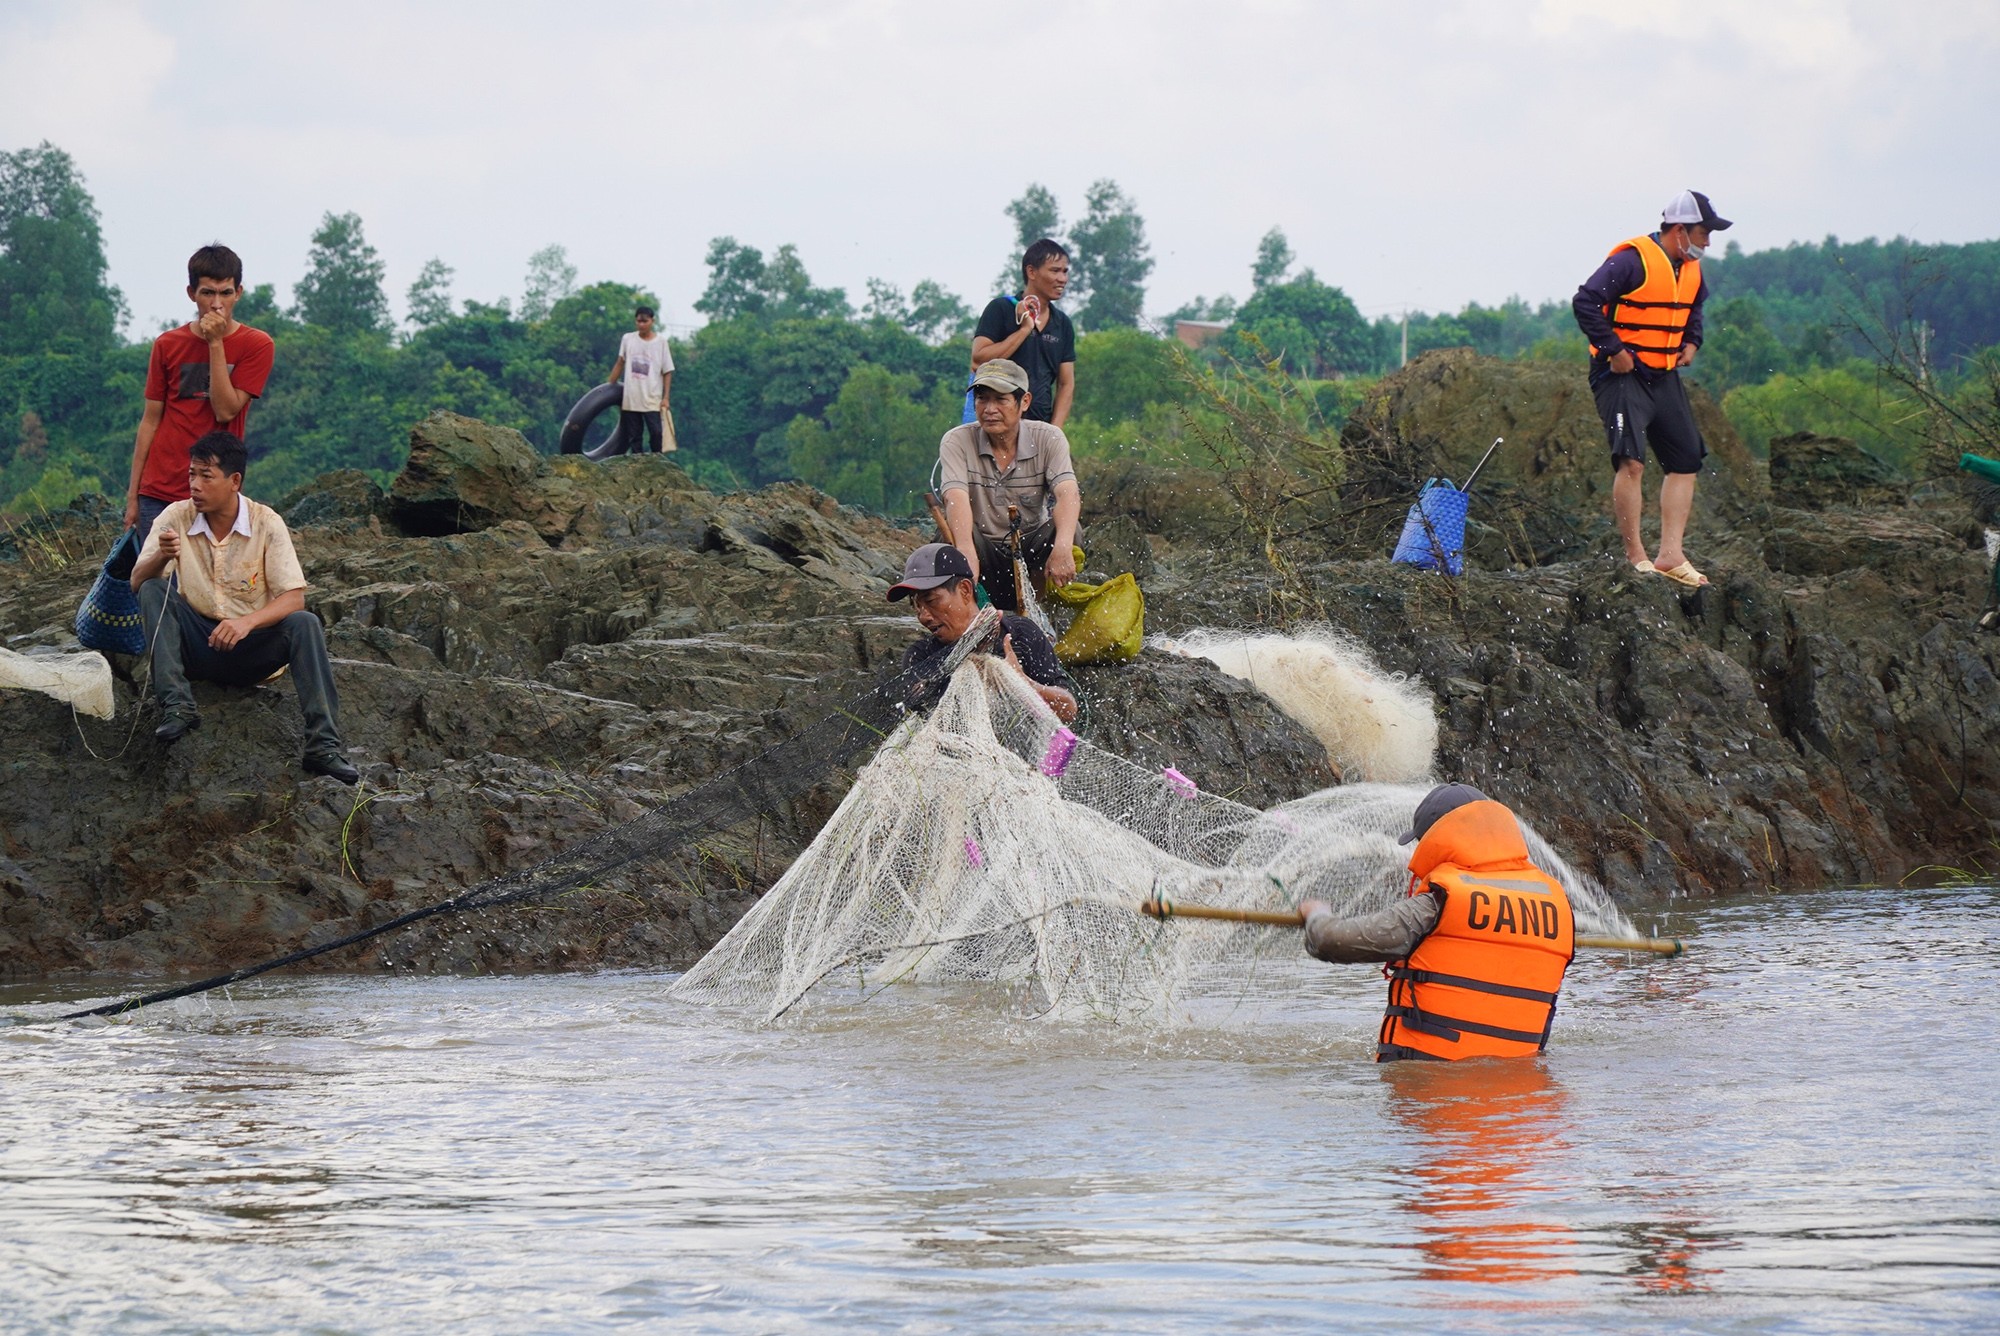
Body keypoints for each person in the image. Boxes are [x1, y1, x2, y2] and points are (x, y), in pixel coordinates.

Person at [129, 432, 358, 784]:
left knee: (305, 623)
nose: (195, 485)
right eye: (192, 474)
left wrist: (246, 623)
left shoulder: (266, 522)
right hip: (198, 645)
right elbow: (137, 583)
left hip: (251, 651)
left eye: (207, 476)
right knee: (155, 590)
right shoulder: (175, 517)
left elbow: (293, 597)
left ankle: (323, 746)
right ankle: (177, 705)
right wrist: (161, 554)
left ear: (235, 481)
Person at [1298, 783, 1574, 1062]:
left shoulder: (1438, 902)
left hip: (1430, 1093)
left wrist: (1317, 915)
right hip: (1519, 1098)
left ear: (1437, 841)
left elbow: (1332, 942)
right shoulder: (1558, 907)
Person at [1573, 190, 1732, 589]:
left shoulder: (1690, 270)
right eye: (1703, 232)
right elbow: (1586, 301)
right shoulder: (1631, 261)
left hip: (1663, 375)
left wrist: (1692, 342)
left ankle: (1670, 556)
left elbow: (1694, 309)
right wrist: (1613, 349)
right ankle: (1636, 558)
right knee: (1632, 462)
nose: (1707, 242)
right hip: (1621, 375)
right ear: (1679, 230)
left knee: (1686, 459)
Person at [124, 243, 276, 540]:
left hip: (218, 489)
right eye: (207, 293)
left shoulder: (256, 345)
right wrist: (133, 496)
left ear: (239, 293)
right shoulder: (167, 344)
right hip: (161, 488)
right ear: (192, 293)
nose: (216, 304)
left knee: (211, 581)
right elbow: (151, 420)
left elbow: (226, 409)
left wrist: (215, 343)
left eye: (225, 293)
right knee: (157, 582)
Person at [937, 359, 1082, 612]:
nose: (989, 409)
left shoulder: (1049, 438)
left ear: (1024, 402)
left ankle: (1036, 610)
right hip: (982, 553)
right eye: (982, 399)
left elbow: (1067, 493)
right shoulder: (957, 440)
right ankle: (968, 612)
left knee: (1071, 532)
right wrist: (965, 549)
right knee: (946, 540)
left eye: (1000, 399)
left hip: (1028, 552)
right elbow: (955, 497)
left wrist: (1062, 546)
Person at [888, 542, 1078, 723]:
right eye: (917, 606)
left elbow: (1068, 711)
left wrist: (1023, 683)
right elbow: (930, 717)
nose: (924, 616)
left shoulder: (1019, 632)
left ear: (964, 590)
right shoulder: (921, 656)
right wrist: (973, 654)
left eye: (930, 601)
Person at [972, 238, 1075, 427]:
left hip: (1039, 426)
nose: (1062, 279)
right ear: (1031, 272)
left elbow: (1065, 384)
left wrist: (1054, 431)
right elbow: (978, 361)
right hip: (995, 424)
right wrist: (1024, 330)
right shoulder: (1001, 308)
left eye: (1065, 271)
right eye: (1054, 270)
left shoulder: (1063, 324)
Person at [603, 305, 675, 454]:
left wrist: (666, 397)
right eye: (639, 321)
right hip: (632, 397)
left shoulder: (661, 342)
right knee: (635, 437)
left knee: (656, 433)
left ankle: (657, 461)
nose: (641, 325)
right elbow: (620, 362)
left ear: (652, 321)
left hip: (652, 397)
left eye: (645, 321)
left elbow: (667, 371)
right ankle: (638, 467)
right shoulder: (628, 339)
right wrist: (609, 386)